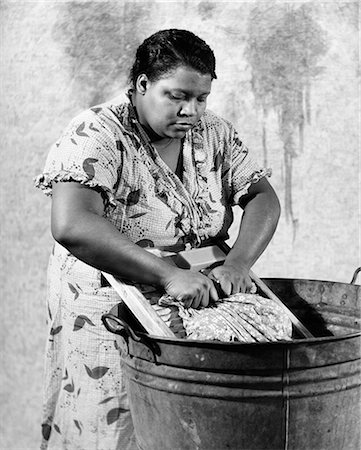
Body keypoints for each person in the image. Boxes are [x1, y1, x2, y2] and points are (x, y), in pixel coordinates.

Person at [35, 29, 280, 449]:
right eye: (177, 95)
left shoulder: (213, 133)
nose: (191, 110)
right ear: (142, 84)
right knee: (109, 423)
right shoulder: (97, 133)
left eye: (201, 98)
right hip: (109, 305)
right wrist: (167, 276)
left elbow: (262, 197)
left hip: (195, 298)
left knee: (186, 424)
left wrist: (238, 262)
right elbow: (72, 224)